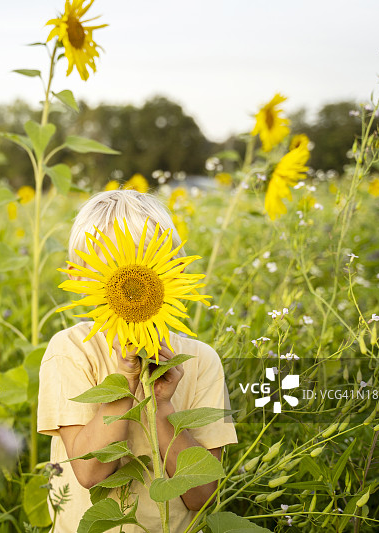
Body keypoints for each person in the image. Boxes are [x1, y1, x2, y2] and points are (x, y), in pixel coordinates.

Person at [38, 189, 238, 532]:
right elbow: (91, 472)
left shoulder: (201, 360)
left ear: (171, 269)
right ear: (78, 277)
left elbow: (203, 494)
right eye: (111, 270)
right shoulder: (70, 350)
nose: (132, 284)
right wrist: (127, 380)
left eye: (147, 265)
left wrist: (160, 407)